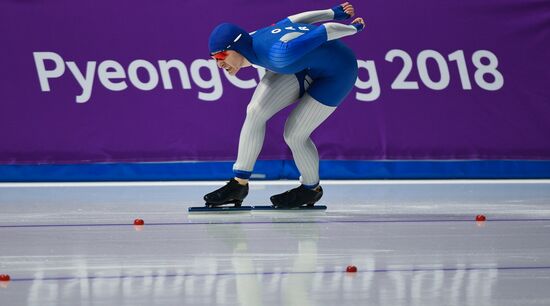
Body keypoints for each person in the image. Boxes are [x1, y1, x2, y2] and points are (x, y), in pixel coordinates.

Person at [204, 2, 365, 209]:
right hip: (304, 64)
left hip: (338, 72)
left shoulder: (278, 54)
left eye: (221, 56)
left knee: (294, 134)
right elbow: (293, 20)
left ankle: (310, 189)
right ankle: (238, 184)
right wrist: (332, 12)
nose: (219, 64)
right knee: (254, 112)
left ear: (236, 48)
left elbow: (327, 30)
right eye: (214, 58)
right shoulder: (252, 39)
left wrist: (354, 28)